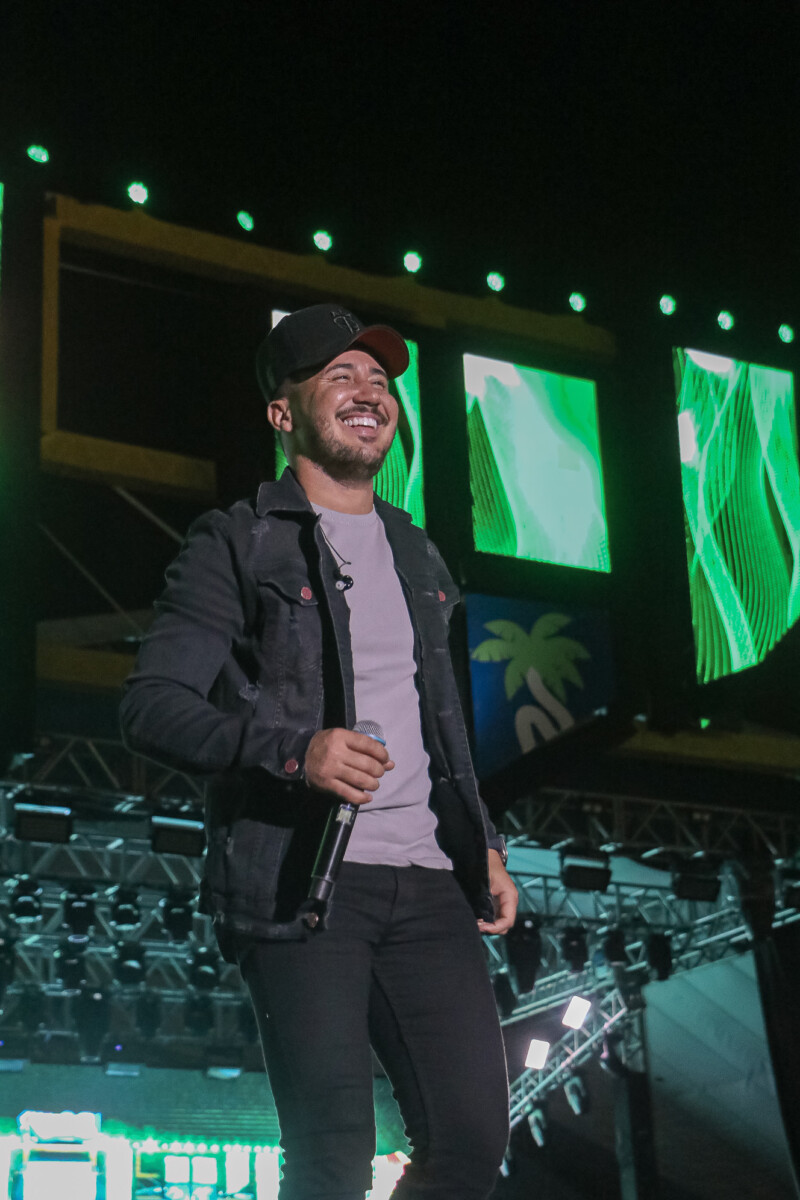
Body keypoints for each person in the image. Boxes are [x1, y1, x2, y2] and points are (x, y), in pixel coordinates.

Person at [120, 303, 518, 1200]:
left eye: (379, 380)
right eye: (340, 376)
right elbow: (151, 707)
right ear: (282, 412)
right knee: (333, 1154)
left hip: (428, 880)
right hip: (301, 881)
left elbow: (438, 721)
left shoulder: (418, 552)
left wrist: (480, 839)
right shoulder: (235, 541)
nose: (368, 391)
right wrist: (297, 753)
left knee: (469, 1144)